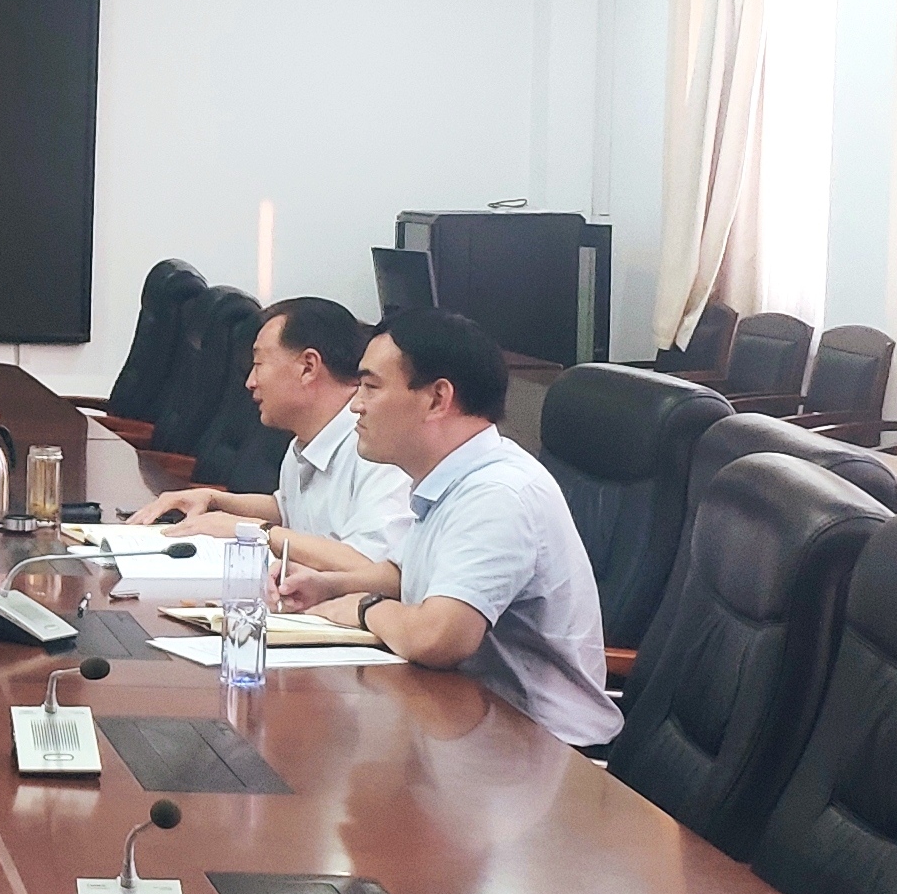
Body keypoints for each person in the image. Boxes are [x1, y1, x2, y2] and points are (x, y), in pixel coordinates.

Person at [276, 309, 624, 748]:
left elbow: (439, 637)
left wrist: (364, 608)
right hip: (468, 722)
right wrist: (328, 587)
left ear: (438, 399)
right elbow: (407, 574)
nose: (355, 405)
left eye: (371, 387)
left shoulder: (498, 493)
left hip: (545, 749)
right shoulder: (451, 475)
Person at [127, 296, 413, 571]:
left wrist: (257, 532)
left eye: (258, 364)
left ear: (308, 367)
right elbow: (288, 509)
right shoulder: (307, 437)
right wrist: (213, 499)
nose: (250, 382)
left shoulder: (378, 447)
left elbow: (369, 564)